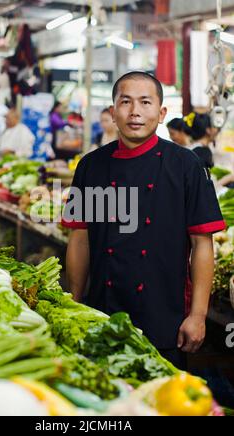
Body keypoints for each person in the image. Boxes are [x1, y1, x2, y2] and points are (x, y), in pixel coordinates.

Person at [62, 71, 225, 370]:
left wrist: (198, 315)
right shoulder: (90, 166)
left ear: (161, 113)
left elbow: (202, 244)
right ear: (113, 113)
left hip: (165, 318)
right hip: (100, 313)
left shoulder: (187, 166)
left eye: (145, 102)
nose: (135, 112)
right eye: (125, 102)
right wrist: (73, 300)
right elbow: (79, 238)